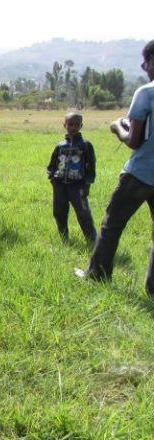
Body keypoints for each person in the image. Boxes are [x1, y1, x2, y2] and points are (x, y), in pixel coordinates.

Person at [81, 40, 154, 296]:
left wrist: (117, 127)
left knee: (111, 225)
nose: (144, 68)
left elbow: (133, 140)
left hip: (140, 174)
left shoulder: (146, 93)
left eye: (145, 63)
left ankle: (97, 274)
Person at [46, 112, 97, 244]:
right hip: (60, 185)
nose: (73, 127)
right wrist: (52, 178)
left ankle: (92, 241)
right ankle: (64, 239)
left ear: (81, 126)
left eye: (76, 125)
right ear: (65, 125)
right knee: (59, 212)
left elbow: (91, 165)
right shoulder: (60, 145)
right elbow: (52, 164)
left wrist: (87, 184)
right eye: (70, 124)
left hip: (78, 186)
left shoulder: (85, 145)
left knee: (83, 213)